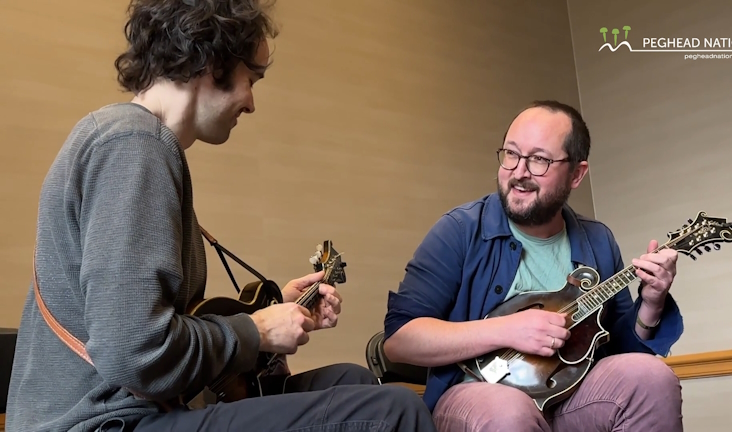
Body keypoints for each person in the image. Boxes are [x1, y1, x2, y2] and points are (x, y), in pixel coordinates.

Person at [5, 1, 436, 431]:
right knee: (392, 410)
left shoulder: (133, 143)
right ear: (213, 64)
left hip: (142, 410)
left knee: (354, 381)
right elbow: (134, 354)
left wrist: (275, 312)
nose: (250, 104)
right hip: (103, 423)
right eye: (252, 79)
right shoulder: (133, 147)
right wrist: (256, 332)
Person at [382, 100, 685, 431]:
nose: (519, 172)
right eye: (511, 154)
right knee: (509, 411)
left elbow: (620, 352)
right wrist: (508, 329)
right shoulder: (459, 230)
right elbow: (399, 340)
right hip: (479, 397)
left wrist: (652, 304)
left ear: (576, 174)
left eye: (539, 159)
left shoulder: (597, 239)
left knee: (651, 376)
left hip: (572, 398)